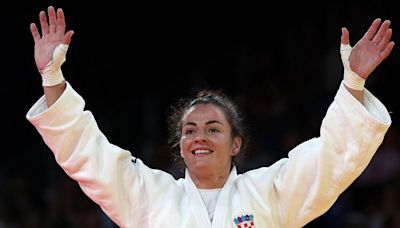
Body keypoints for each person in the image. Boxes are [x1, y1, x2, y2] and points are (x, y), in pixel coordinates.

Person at [26, 5, 394, 228]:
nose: (199, 137)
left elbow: (333, 158)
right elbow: (86, 152)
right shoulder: (148, 195)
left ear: (236, 143)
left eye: (213, 128)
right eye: (190, 130)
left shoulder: (271, 191)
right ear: (180, 146)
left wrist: (354, 81)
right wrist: (52, 77)